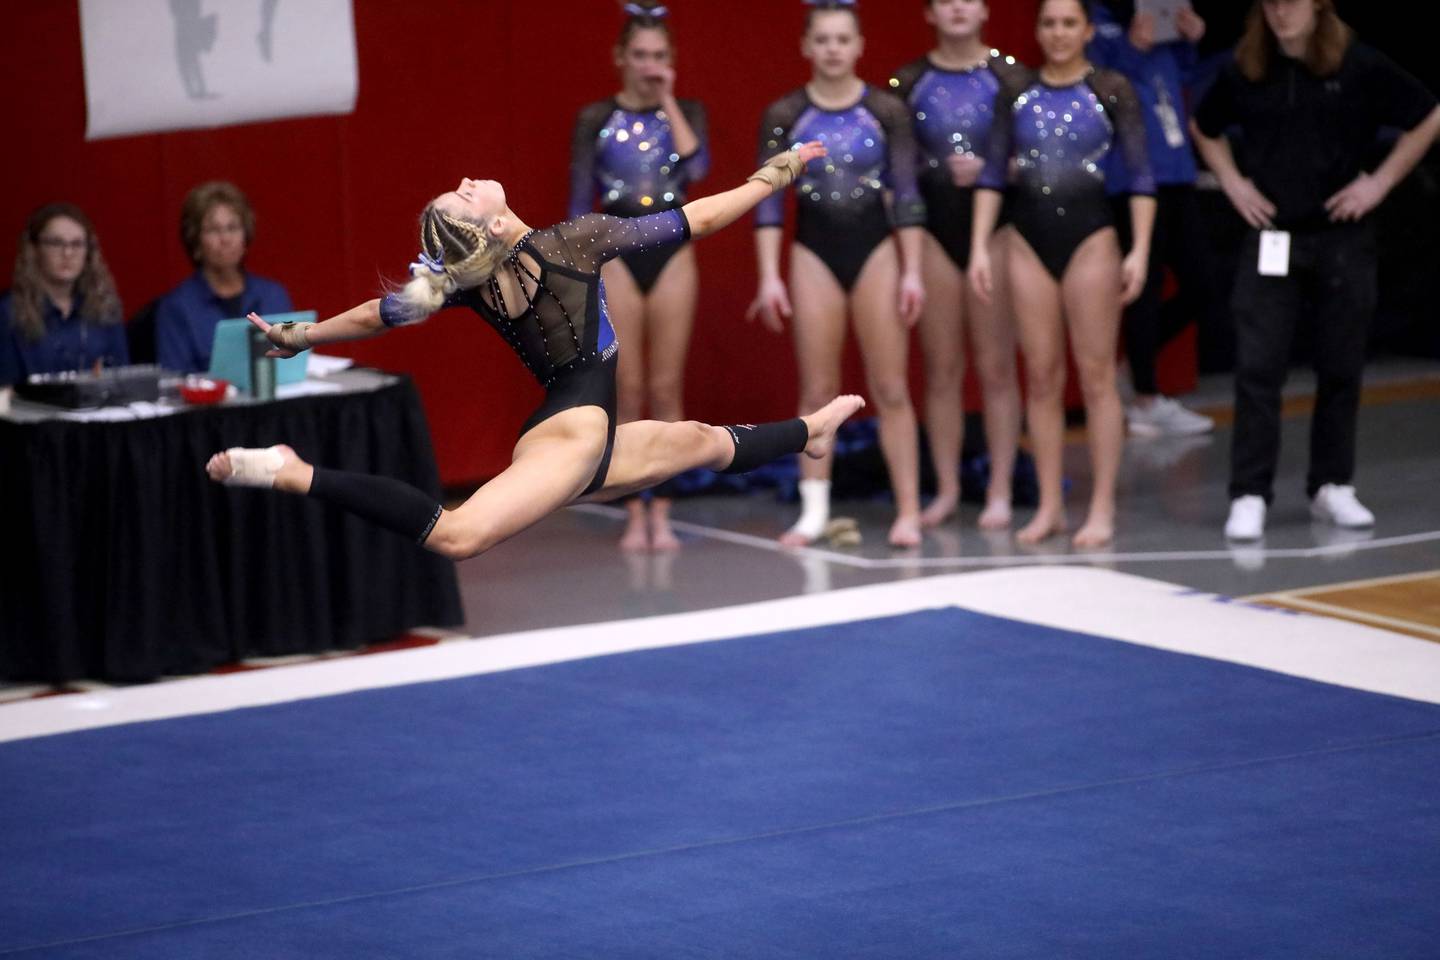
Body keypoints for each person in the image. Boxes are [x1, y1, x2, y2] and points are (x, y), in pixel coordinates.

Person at [206, 147, 866, 562]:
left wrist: (303, 336)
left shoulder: (471, 282)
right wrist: (773, 175)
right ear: (492, 225)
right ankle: (294, 471)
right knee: (457, 536)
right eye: (464, 195)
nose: (467, 178)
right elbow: (701, 219)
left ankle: (812, 432)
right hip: (572, 437)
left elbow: (378, 317)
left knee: (698, 440)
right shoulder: (572, 244)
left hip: (582, 431)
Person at [1192, 0, 1440, 540]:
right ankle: (1250, 492)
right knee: (1258, 367)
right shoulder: (1246, 67)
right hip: (1272, 235)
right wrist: (1235, 185)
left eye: (1293, 3)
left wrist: (1380, 182)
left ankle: (1333, 485)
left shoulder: (1357, 64)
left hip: (1340, 235)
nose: (1282, 14)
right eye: (1273, 4)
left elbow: (1428, 115)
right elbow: (1203, 123)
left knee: (1341, 363)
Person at [969, 0, 1156, 547]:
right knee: (1042, 377)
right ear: (1038, 30)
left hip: (1092, 238)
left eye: (1069, 23)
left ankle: (1101, 507)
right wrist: (981, 247)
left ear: (1088, 30)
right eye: (1049, 23)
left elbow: (1142, 177)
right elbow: (991, 175)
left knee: (1096, 376)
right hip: (1027, 240)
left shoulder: (1112, 88)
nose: (1058, 33)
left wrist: (1139, 250)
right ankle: (1050, 504)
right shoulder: (1017, 92)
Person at [749, 0, 928, 548]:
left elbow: (906, 196)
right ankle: (814, 512)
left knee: (891, 385)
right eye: (822, 39)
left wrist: (913, 271)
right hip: (813, 253)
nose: (832, 49)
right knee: (818, 388)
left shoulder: (885, 111)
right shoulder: (785, 114)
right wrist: (769, 276)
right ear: (806, 46)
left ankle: (908, 511)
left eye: (842, 39)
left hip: (875, 249)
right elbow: (768, 203)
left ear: (859, 46)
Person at [570, 0, 709, 552]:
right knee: (627, 388)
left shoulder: (686, 111)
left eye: (660, 56)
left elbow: (697, 167)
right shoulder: (596, 118)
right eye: (641, 55)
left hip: (673, 248)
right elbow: (581, 198)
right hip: (617, 251)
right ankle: (634, 510)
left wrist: (668, 97)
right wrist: (580, 264)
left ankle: (665, 512)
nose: (650, 65)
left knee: (666, 386)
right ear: (620, 58)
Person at [890, 0, 1028, 530]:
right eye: (946, 1)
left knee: (996, 367)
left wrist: (1000, 169)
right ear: (929, 13)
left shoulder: (1010, 76)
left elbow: (1040, 156)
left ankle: (999, 487)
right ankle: (946, 488)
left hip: (995, 231)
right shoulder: (909, 81)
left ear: (984, 9)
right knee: (942, 369)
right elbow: (898, 167)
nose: (957, 9)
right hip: (933, 232)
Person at [1088, 0, 1216, 438]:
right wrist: (1130, 46)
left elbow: (1181, 76)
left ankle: (1133, 365)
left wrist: (1190, 39)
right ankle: (1145, 397)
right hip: (1132, 174)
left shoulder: (1157, 15)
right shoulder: (1096, 23)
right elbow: (1094, 85)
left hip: (1177, 167)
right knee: (1145, 284)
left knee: (1203, 281)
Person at [155, 180, 292, 373]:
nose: (225, 239)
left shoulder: (274, 296)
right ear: (196, 242)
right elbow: (173, 383)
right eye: (213, 230)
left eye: (233, 228)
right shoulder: (177, 308)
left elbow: (292, 365)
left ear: (245, 237)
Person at [0, 203, 128, 386]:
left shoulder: (106, 308)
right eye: (56, 243)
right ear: (34, 250)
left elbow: (124, 380)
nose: (68, 253)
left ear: (89, 252)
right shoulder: (8, 313)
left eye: (77, 244)